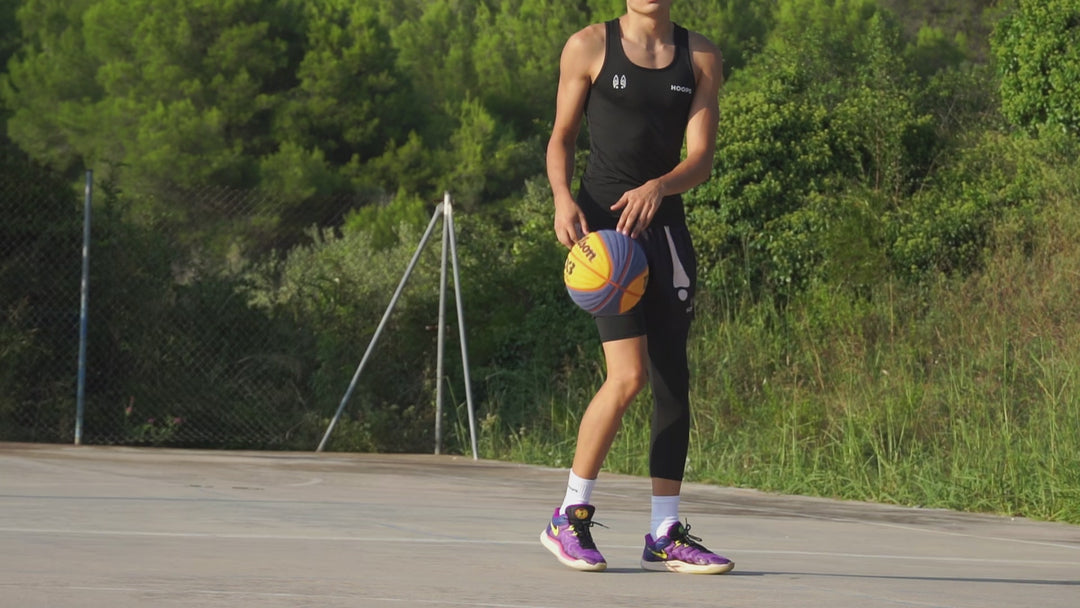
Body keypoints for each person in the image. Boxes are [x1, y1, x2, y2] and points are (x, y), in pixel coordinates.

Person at [539, 0, 731, 574]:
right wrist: (562, 198)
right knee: (627, 377)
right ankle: (569, 515)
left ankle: (664, 532)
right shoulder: (589, 46)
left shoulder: (700, 56)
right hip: (606, 241)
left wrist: (660, 186)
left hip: (665, 233)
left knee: (673, 379)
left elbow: (701, 160)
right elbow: (561, 137)